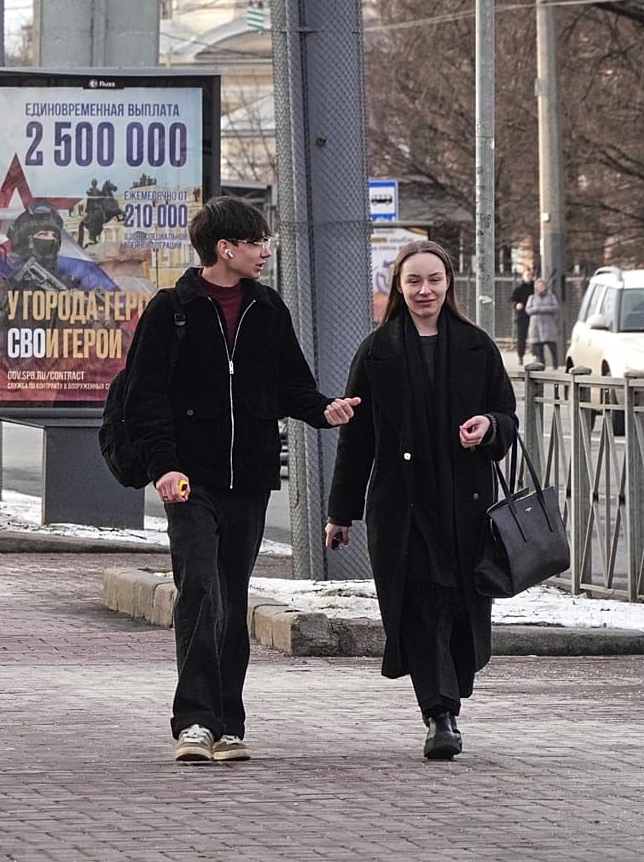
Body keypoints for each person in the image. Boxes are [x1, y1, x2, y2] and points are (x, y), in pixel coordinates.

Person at [120, 195, 360, 763]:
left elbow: (289, 385)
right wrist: (165, 467)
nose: (265, 250)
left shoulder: (268, 308)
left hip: (249, 480)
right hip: (189, 480)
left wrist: (324, 409)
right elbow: (143, 399)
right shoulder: (169, 310)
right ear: (224, 249)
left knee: (231, 591)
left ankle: (228, 721)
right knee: (200, 587)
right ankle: (195, 722)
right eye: (256, 242)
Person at [325, 240, 517, 761]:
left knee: (460, 612)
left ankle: (449, 698)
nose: (424, 290)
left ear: (448, 283)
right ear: (399, 287)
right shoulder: (378, 350)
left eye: (434, 279)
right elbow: (357, 439)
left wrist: (489, 428)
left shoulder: (477, 346)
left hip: (466, 509)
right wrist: (340, 513)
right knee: (421, 607)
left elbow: (506, 416)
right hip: (403, 508)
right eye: (414, 281)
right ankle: (439, 715)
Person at [525, 276, 561, 368]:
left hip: (549, 325)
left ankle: (555, 365)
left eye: (542, 286)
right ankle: (541, 365)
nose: (541, 288)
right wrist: (541, 309)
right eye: (539, 286)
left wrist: (539, 309)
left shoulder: (551, 296)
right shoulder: (532, 298)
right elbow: (528, 310)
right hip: (536, 326)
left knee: (552, 346)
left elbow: (555, 307)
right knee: (539, 348)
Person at [509, 269, 534, 364]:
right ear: (523, 276)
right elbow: (512, 300)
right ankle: (521, 356)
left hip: (533, 315)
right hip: (522, 316)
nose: (529, 277)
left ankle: (536, 354)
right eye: (527, 275)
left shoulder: (534, 288)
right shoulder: (519, 289)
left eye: (531, 275)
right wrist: (516, 305)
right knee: (521, 336)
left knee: (535, 336)